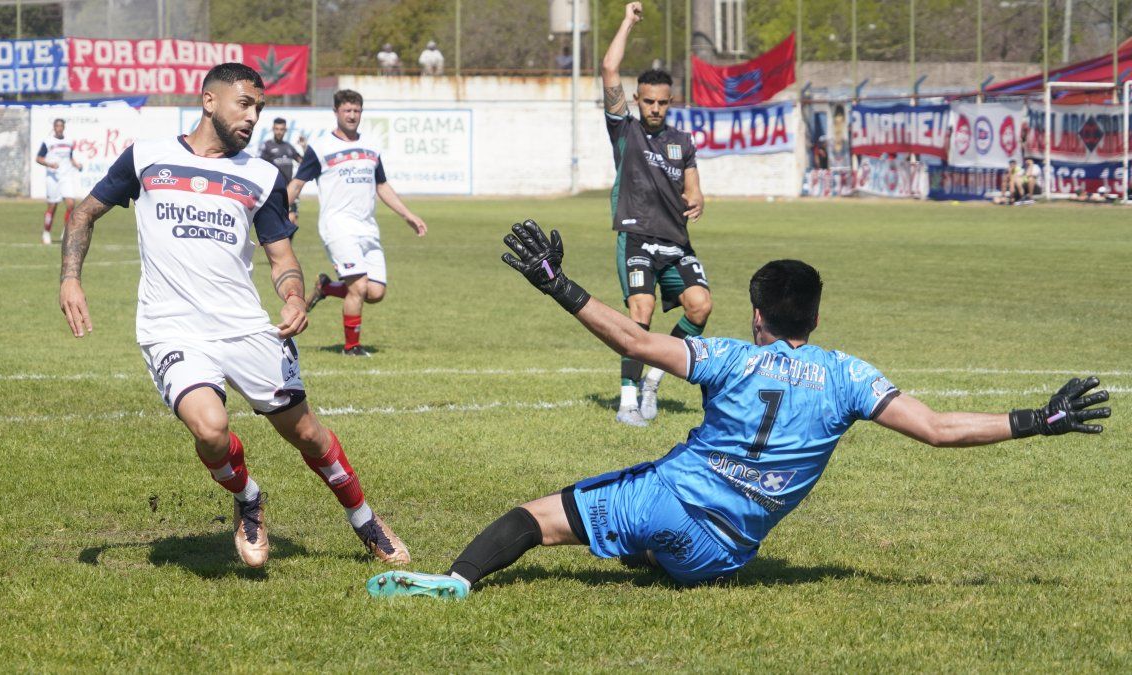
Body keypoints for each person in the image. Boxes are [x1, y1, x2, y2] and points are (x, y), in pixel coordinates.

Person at [365, 220, 1111, 600]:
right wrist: (1038, 419)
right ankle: (664, 556)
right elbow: (939, 430)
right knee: (671, 546)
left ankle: (456, 580)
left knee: (534, 518)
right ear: (814, 318)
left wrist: (555, 282)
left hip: (669, 499)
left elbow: (630, 334)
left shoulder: (729, 354)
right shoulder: (850, 376)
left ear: (758, 313)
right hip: (725, 552)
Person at [57, 63, 410, 569]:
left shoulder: (264, 175)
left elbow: (282, 259)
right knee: (210, 428)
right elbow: (84, 212)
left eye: (259, 109)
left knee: (307, 433)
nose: (253, 117)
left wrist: (292, 297)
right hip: (170, 327)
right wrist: (70, 277)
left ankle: (365, 519)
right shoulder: (147, 157)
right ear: (209, 100)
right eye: (244, 103)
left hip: (245, 327)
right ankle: (248, 500)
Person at [601, 1, 707, 427]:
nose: (655, 109)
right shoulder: (624, 130)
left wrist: (698, 200)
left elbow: (694, 188)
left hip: (675, 242)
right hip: (638, 238)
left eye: (662, 102)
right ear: (638, 100)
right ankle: (627, 402)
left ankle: (652, 382)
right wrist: (627, 21)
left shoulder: (683, 142)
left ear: (670, 101)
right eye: (648, 101)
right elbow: (610, 68)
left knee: (700, 307)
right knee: (640, 312)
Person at [288, 89, 428, 357]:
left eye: (356, 111)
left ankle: (326, 287)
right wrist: (280, 212)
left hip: (367, 228)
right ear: (336, 113)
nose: (352, 116)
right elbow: (297, 183)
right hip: (337, 226)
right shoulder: (321, 148)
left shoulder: (372, 147)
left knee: (375, 292)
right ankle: (351, 348)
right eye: (347, 111)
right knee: (359, 286)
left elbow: (382, 185)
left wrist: (408, 215)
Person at [36, 118, 83, 245]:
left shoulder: (69, 141)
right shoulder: (48, 142)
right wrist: (49, 164)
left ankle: (66, 232)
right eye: (57, 126)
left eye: (61, 126)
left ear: (64, 127)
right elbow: (38, 158)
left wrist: (77, 165)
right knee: (52, 206)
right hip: (53, 177)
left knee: (71, 204)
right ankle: (46, 232)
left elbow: (70, 158)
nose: (59, 128)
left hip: (66, 177)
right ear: (54, 127)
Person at [258, 117, 305, 222]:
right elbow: (259, 166)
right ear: (273, 129)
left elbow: (303, 163)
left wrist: (304, 147)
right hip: (274, 190)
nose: (279, 132)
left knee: (292, 221)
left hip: (289, 190)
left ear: (285, 130)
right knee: (276, 222)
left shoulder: (289, 147)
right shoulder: (267, 146)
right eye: (277, 129)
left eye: (281, 129)